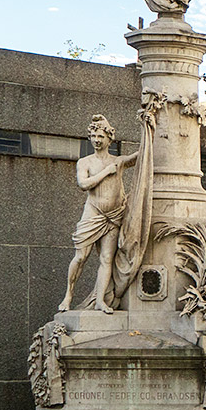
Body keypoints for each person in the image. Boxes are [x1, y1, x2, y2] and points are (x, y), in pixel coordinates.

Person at [59, 116, 140, 313]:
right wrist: (106, 172)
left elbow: (139, 157)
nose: (96, 139)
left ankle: (100, 301)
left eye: (100, 136)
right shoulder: (85, 162)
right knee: (80, 257)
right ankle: (68, 296)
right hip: (93, 214)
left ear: (109, 138)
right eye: (93, 135)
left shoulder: (118, 161)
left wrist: (149, 130)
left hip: (113, 216)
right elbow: (83, 184)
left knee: (106, 259)